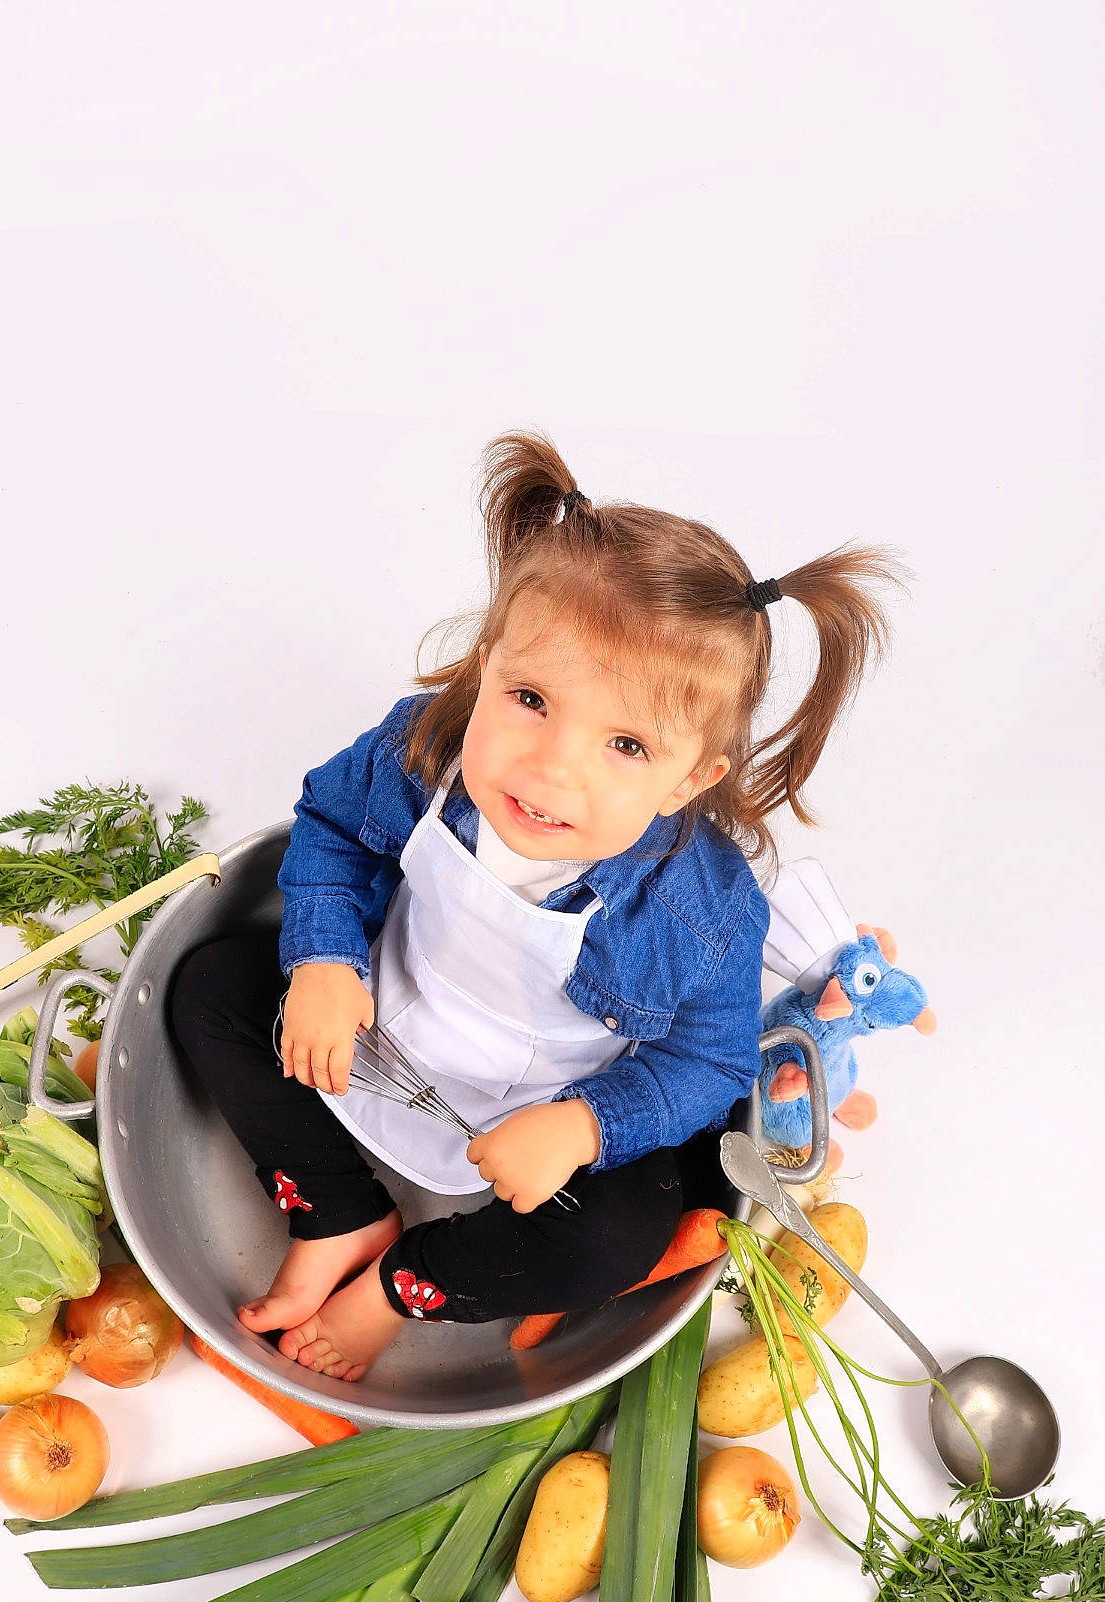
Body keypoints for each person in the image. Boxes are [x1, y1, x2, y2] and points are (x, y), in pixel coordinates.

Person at [168, 431, 900, 1380]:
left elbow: (707, 1059)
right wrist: (322, 961)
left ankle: (405, 1279)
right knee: (208, 988)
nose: (552, 766)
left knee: (618, 1238)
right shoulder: (421, 751)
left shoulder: (702, 912)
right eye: (528, 698)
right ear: (485, 665)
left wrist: (587, 1126)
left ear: (690, 779)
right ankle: (337, 1206)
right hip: (380, 1030)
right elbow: (331, 826)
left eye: (626, 746)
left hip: (548, 1107)